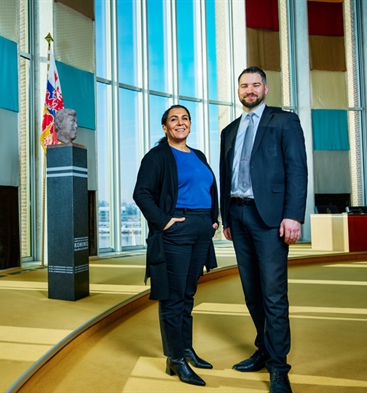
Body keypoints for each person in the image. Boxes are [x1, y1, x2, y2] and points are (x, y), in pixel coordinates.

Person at [219, 66, 307, 393]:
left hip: (269, 218)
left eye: (256, 84)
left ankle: (279, 366)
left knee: (273, 293)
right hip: (238, 217)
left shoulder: (284, 121)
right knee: (252, 292)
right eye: (244, 85)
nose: (250, 90)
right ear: (239, 90)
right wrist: (226, 217)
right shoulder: (229, 131)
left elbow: (297, 170)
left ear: (266, 89)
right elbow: (225, 175)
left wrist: (293, 216)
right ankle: (264, 348)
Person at [133, 105, 219, 387]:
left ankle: (185, 349)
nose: (180, 123)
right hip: (176, 230)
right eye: (174, 119)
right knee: (173, 296)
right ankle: (175, 359)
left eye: (184, 118)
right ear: (165, 127)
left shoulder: (199, 156)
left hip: (201, 229)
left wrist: (214, 219)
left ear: (190, 124)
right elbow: (141, 193)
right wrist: (163, 221)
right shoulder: (158, 156)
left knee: (189, 293)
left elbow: (209, 189)